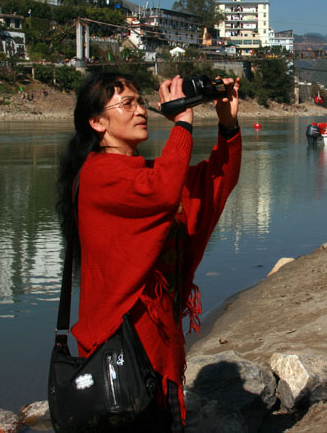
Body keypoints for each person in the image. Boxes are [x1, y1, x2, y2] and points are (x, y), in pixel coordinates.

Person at [56, 72, 242, 429]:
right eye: (127, 104)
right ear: (97, 122)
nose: (140, 110)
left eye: (141, 102)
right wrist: (183, 122)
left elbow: (212, 183)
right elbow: (161, 192)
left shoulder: (145, 172)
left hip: (156, 340)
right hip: (121, 343)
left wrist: (228, 127)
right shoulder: (98, 175)